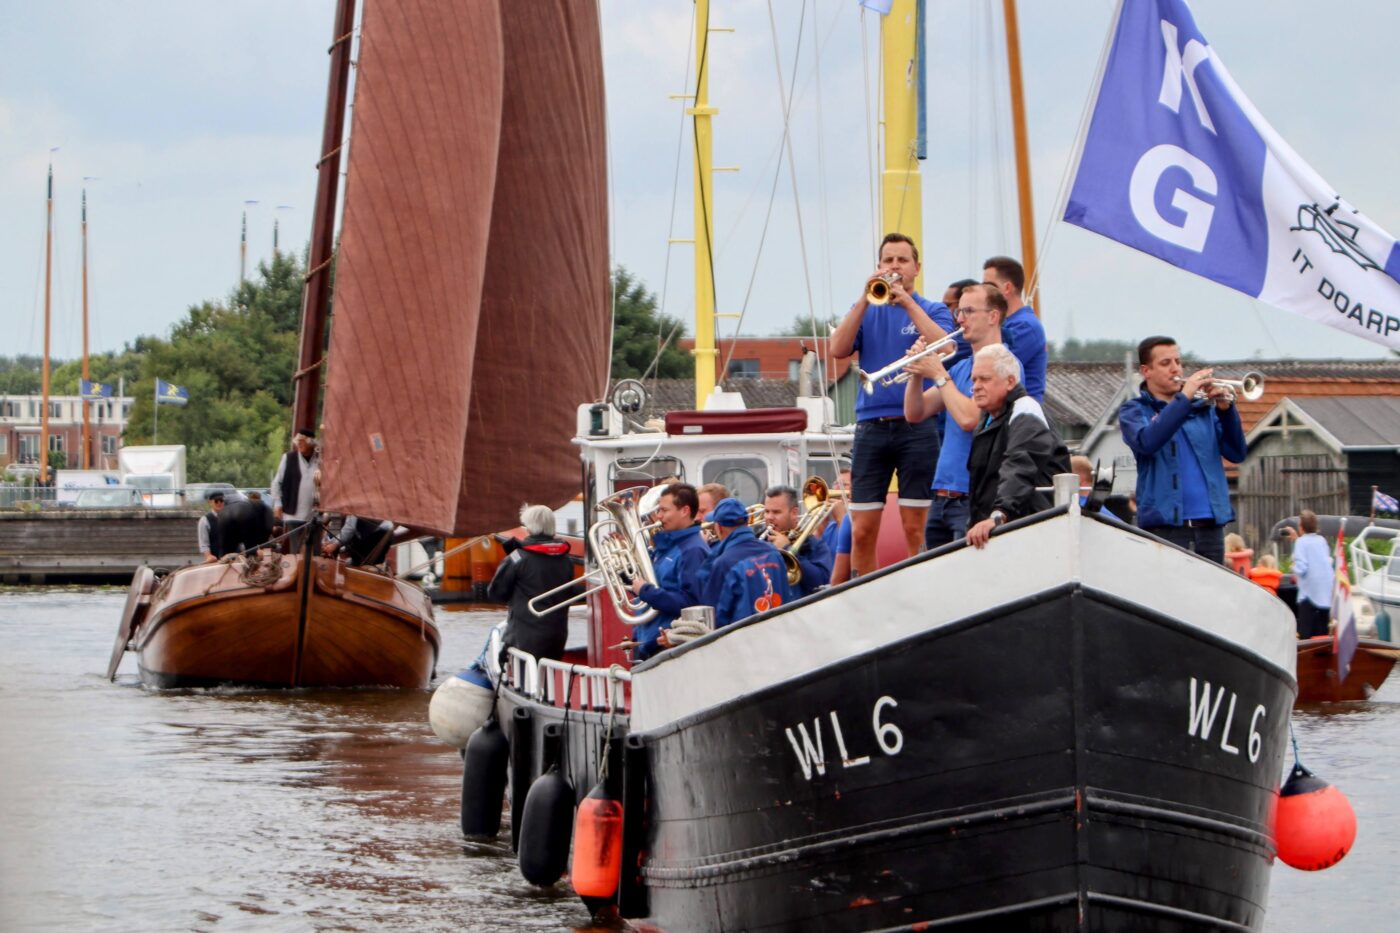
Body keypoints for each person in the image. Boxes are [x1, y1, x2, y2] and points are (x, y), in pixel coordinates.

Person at [830, 233, 958, 577]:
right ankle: (865, 595)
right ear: (878, 267)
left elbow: (946, 348)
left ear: (917, 267)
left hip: (917, 427)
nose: (895, 267)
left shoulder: (931, 309)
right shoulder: (866, 310)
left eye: (902, 260)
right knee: (861, 530)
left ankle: (923, 589)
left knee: (917, 527)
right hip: (871, 426)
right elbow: (837, 348)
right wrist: (863, 299)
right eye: (888, 260)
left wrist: (907, 303)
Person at [1119, 336, 1246, 564]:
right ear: (1146, 371)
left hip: (1210, 527)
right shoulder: (1134, 411)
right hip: (1166, 529)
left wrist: (1226, 411)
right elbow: (1148, 441)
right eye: (1166, 363)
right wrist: (1184, 398)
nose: (1175, 368)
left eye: (1178, 361)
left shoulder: (1203, 411)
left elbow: (1237, 453)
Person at [903, 282, 1008, 548]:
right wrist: (915, 374)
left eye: (969, 311)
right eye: (959, 312)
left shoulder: (1004, 366)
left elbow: (969, 419)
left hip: (970, 496)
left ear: (993, 316)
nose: (960, 319)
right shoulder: (962, 368)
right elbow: (915, 413)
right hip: (941, 496)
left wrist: (937, 373)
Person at [964, 344, 1071, 549]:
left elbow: (1020, 465)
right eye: (974, 379)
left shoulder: (1026, 410)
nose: (976, 386)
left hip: (1032, 530)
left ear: (1011, 381)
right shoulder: (987, 419)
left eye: (985, 379)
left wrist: (998, 515)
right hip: (1000, 532)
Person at [487, 504, 578, 662]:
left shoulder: (518, 558)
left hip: (524, 639)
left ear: (528, 528)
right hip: (557, 637)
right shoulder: (566, 560)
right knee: (548, 679)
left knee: (527, 681)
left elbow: (496, 593)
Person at [628, 483, 709, 660]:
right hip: (650, 641)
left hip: (668, 647)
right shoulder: (667, 547)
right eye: (658, 510)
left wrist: (645, 591)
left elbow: (691, 603)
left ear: (684, 511)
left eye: (664, 510)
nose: (658, 516)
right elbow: (657, 588)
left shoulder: (692, 551)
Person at [698, 497, 793, 628]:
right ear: (747, 522)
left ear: (719, 527)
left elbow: (715, 618)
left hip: (744, 641)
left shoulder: (724, 563)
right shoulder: (773, 551)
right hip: (779, 632)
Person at [981, 256, 1047, 401]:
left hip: (1020, 416)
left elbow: (993, 366)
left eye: (989, 286)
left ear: (1007, 288)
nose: (984, 291)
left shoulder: (1026, 326)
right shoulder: (1007, 323)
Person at [762, 484, 833, 596]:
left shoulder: (813, 544)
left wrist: (788, 549)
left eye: (776, 512)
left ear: (794, 513)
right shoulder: (759, 541)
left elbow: (821, 581)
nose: (769, 517)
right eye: (766, 511)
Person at [271, 429, 320, 552]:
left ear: (311, 443)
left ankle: (312, 570)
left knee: (315, 550)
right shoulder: (288, 458)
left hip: (315, 513)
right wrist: (277, 504)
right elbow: (277, 482)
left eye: (303, 442)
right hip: (293, 513)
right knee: (296, 550)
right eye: (298, 442)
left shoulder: (320, 459)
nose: (300, 445)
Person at [1292, 510, 1333, 639]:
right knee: (1322, 631)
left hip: (1309, 593)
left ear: (1301, 527)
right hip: (1326, 591)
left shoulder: (1301, 542)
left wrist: (1294, 568)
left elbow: (1302, 567)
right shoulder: (1321, 541)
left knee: (1306, 633)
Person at [322, 515, 395, 567]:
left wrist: (334, 545)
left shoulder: (353, 511)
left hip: (375, 535)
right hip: (388, 533)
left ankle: (357, 563)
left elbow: (347, 532)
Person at [198, 492, 226, 562]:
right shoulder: (205, 520)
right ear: (210, 503)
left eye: (221, 501)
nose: (219, 503)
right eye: (216, 501)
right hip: (215, 559)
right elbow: (204, 543)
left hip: (231, 558)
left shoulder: (231, 518)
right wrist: (208, 556)